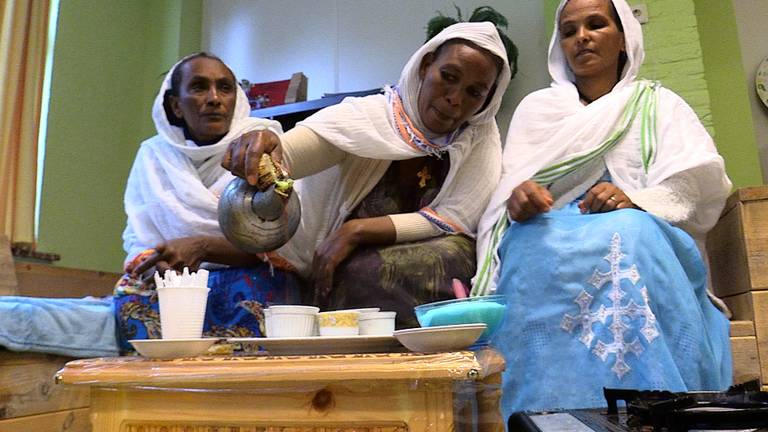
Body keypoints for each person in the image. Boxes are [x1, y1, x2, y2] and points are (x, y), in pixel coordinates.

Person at [472, 0, 733, 415]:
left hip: (641, 226)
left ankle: (652, 410)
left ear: (624, 38)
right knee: (524, 246)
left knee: (628, 232)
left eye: (596, 24)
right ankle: (539, 412)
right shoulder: (536, 110)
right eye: (570, 30)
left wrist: (638, 200)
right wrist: (519, 200)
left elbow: (695, 182)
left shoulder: (658, 104)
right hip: (550, 230)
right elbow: (510, 194)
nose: (582, 37)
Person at [223, 22, 514, 327]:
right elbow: (293, 154)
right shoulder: (367, 118)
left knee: (452, 255)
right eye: (448, 77)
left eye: (474, 92)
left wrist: (357, 231)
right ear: (427, 65)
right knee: (359, 271)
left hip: (423, 256)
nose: (455, 99)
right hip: (345, 267)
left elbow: (457, 217)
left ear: (489, 98)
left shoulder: (480, 139)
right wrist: (267, 149)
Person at [114, 53, 302, 350]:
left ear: (237, 99)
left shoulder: (262, 143)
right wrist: (159, 265)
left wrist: (202, 247)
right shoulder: (153, 155)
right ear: (176, 104)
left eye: (224, 88)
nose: (214, 98)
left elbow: (280, 237)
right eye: (200, 87)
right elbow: (139, 236)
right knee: (129, 291)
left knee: (250, 291)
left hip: (247, 269)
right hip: (175, 278)